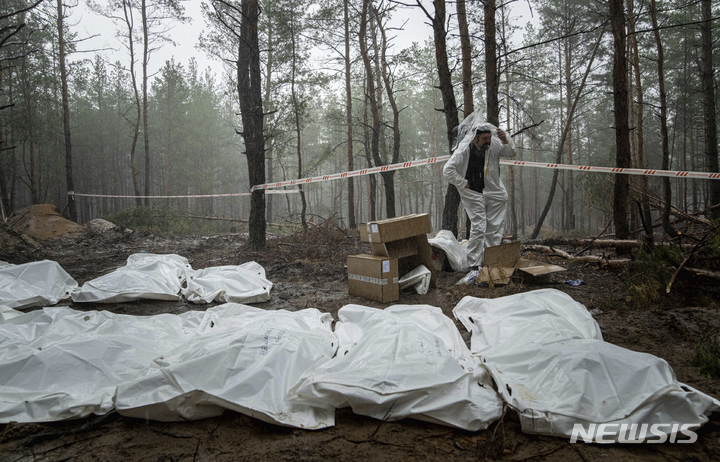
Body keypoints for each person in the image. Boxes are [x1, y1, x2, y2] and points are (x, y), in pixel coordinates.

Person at [443, 112, 515, 285]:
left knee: (494, 228)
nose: (488, 142)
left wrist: (507, 140)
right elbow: (448, 170)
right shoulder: (463, 150)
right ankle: (474, 267)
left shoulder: (494, 145)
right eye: (484, 139)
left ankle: (489, 264)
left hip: (493, 190)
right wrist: (463, 183)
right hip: (472, 191)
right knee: (479, 226)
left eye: (489, 138)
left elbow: (511, 152)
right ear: (475, 138)